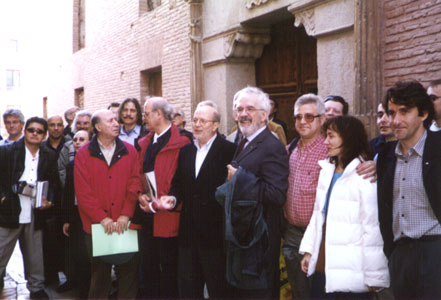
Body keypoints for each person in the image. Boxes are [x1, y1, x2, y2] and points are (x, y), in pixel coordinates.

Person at [300, 116, 389, 299]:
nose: (326, 142)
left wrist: (375, 275)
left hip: (352, 272)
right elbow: (318, 215)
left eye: (331, 136)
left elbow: (372, 228)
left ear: (348, 138)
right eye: (326, 136)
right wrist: (309, 250)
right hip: (324, 265)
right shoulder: (327, 170)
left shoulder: (363, 174)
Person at [377, 80, 441, 299]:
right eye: (392, 112)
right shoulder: (384, 156)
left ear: (423, 114)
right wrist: (392, 254)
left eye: (404, 112)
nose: (395, 120)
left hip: (435, 252)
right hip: (400, 255)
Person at [165, 100, 236, 298]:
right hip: (188, 234)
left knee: (218, 288)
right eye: (195, 120)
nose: (197, 124)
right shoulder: (186, 151)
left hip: (215, 235)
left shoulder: (229, 150)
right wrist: (172, 197)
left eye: (203, 121)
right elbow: (178, 183)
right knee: (188, 289)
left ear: (215, 125)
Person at [225, 86, 289, 298]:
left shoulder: (272, 145)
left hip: (260, 244)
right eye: (240, 109)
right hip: (243, 238)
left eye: (250, 109)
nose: (243, 114)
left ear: (264, 115)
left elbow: (277, 195)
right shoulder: (245, 141)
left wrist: (240, 178)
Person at [74, 109, 141, 299]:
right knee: (99, 276)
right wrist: (102, 219)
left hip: (124, 224)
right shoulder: (84, 154)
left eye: (115, 120)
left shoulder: (129, 150)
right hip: (96, 225)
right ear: (98, 127)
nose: (116, 123)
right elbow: (83, 192)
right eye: (110, 120)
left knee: (128, 275)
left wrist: (126, 214)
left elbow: (135, 183)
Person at [133, 97, 190, 298]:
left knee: (169, 270)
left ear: (159, 114)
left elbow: (182, 182)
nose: (143, 118)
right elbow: (137, 175)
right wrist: (141, 196)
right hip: (146, 215)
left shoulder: (183, 143)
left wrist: (161, 203)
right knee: (148, 267)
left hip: (169, 217)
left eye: (146, 113)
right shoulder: (144, 143)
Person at [0, 117, 60, 299]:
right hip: (11, 209)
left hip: (35, 210)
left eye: (39, 131)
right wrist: (2, 198)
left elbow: (54, 183)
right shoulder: (7, 151)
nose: (35, 133)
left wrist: (49, 200)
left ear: (44, 135)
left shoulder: (49, 154)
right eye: (31, 130)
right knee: (1, 250)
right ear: (25, 131)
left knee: (35, 255)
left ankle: (36, 288)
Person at [282, 94, 328, 299]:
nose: (302, 121)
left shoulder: (331, 151)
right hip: (292, 235)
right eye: (298, 117)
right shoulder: (289, 149)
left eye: (309, 116)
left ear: (322, 119)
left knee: (319, 292)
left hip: (319, 237)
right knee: (299, 292)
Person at [60, 130, 91, 297]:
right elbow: (68, 193)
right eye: (75, 139)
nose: (78, 142)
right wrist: (66, 219)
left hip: (93, 215)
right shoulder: (71, 165)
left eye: (82, 139)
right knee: (80, 256)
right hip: (77, 216)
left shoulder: (95, 162)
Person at [58, 110, 93, 186]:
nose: (82, 126)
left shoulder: (99, 144)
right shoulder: (67, 146)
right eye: (78, 123)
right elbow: (62, 170)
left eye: (86, 123)